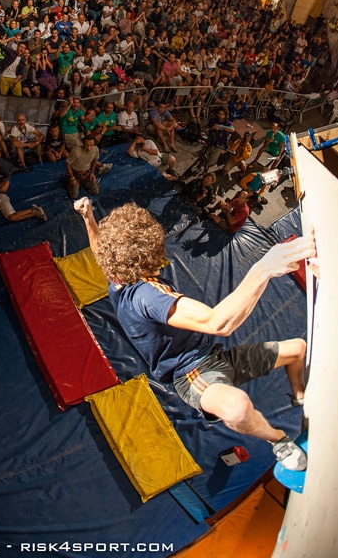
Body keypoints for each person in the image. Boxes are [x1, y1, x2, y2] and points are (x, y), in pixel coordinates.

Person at [74, 197, 316, 472]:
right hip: (191, 374)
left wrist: (88, 218)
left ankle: (300, 398)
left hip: (212, 356)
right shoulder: (148, 297)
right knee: (236, 407)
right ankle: (279, 441)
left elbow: (100, 252)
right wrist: (263, 269)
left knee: (297, 349)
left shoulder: (119, 274)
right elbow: (218, 323)